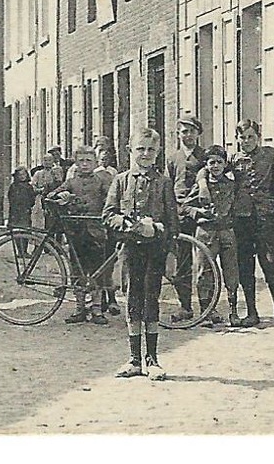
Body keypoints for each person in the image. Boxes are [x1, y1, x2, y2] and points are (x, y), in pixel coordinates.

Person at [103, 128, 179, 379]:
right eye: (141, 149)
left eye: (151, 150)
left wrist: (156, 229)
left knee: (151, 299)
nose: (145, 154)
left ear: (158, 153)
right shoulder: (122, 180)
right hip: (130, 250)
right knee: (132, 299)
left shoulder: (164, 183)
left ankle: (152, 360)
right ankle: (134, 359)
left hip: (155, 251)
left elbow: (173, 223)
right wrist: (127, 225)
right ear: (130, 151)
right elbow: (109, 214)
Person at [230, 120, 274, 326]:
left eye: (250, 137)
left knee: (271, 262)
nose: (246, 141)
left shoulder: (271, 155)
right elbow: (210, 168)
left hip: (265, 217)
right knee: (245, 265)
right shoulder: (233, 159)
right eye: (242, 137)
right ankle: (251, 312)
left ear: (258, 137)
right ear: (237, 139)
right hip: (242, 218)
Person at [47, 144, 115, 325]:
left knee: (97, 270)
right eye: (81, 161)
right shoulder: (71, 182)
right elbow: (52, 195)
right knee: (77, 271)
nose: (85, 164)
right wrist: (63, 197)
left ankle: (97, 309)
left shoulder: (101, 180)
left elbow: (111, 199)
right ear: (76, 163)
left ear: (94, 163)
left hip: (96, 231)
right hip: (76, 232)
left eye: (88, 161)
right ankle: (79, 309)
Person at [186, 145, 243, 326]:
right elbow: (184, 206)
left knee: (231, 272)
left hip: (227, 232)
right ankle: (207, 311)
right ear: (206, 165)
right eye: (211, 162)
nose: (216, 166)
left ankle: (233, 311)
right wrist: (199, 212)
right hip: (205, 233)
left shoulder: (231, 185)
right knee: (205, 273)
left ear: (225, 164)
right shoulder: (201, 185)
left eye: (219, 162)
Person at [166, 113, 207, 323]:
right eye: (183, 131)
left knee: (203, 261)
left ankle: (207, 307)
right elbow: (169, 185)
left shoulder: (206, 156)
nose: (187, 135)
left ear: (198, 133)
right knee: (182, 261)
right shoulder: (173, 158)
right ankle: (185, 306)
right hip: (180, 214)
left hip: (201, 214)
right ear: (178, 134)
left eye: (191, 131)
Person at [5, 167, 35, 256]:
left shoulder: (29, 187)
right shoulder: (13, 186)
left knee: (25, 230)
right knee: (17, 230)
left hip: (25, 211)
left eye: (24, 174)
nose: (22, 177)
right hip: (16, 212)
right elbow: (10, 197)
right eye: (20, 175)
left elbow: (32, 199)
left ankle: (24, 250)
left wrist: (28, 206)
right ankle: (19, 251)